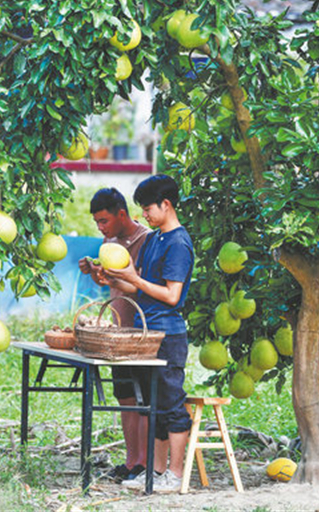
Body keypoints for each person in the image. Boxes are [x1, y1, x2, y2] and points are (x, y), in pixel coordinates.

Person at [101, 174, 194, 493]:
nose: (143, 215)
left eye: (147, 208)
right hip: (144, 333)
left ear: (166, 205)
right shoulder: (155, 240)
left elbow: (170, 295)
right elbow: (138, 285)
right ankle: (155, 472)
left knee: (170, 404)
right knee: (152, 405)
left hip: (166, 336)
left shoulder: (179, 242)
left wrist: (133, 279)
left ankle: (176, 474)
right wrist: (113, 278)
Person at [78, 188, 152, 483]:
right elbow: (111, 282)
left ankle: (145, 463)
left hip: (141, 333)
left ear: (122, 214)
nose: (100, 228)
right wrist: (95, 273)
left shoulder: (146, 240)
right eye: (97, 222)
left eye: (104, 221)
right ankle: (131, 460)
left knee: (144, 398)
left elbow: (144, 284)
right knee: (124, 397)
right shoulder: (109, 242)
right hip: (116, 331)